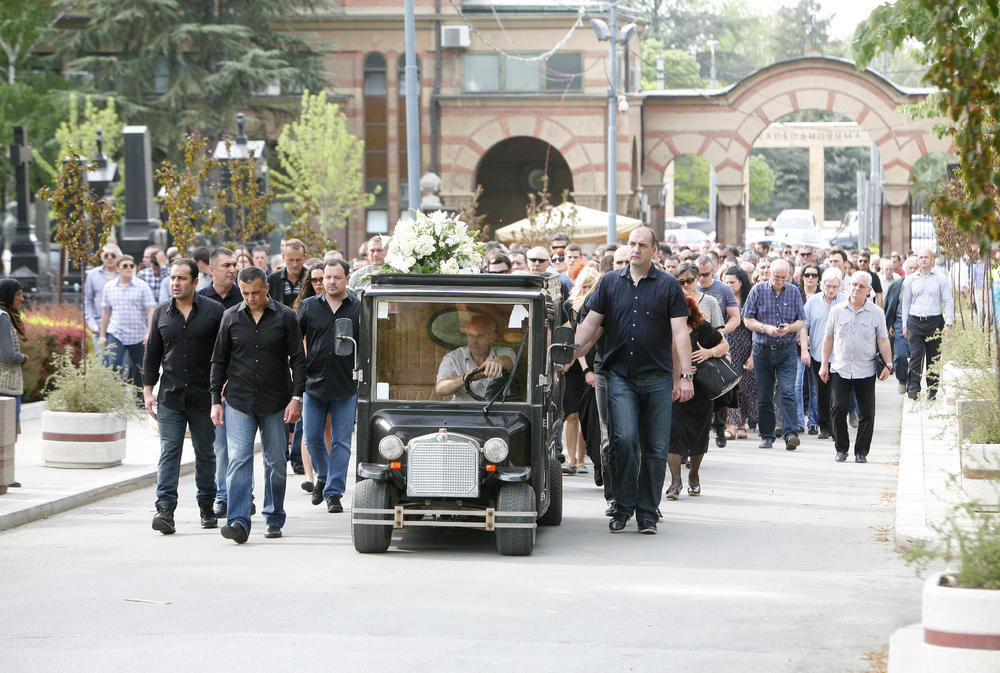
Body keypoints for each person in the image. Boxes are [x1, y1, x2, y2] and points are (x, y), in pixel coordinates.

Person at [573, 226, 694, 535]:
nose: (636, 249)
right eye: (632, 244)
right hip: (620, 376)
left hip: (657, 377)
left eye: (642, 244)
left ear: (654, 250)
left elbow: (680, 332)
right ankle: (623, 506)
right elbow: (591, 323)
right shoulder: (609, 282)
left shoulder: (668, 285)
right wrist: (570, 352)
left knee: (655, 446)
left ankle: (648, 513)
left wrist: (685, 376)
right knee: (624, 440)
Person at [210, 266, 306, 543]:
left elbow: (298, 360)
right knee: (239, 459)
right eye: (245, 293)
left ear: (266, 288)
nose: (251, 298)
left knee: (275, 461)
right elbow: (218, 360)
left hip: (275, 400)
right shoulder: (230, 317)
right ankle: (238, 521)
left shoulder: (285, 317)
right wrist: (215, 401)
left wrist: (296, 398)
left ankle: (274, 516)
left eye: (255, 293)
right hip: (239, 400)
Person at [143, 259, 225, 534]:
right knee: (169, 452)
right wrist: (148, 390)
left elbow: (225, 352)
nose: (175, 283)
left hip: (205, 396)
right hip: (170, 396)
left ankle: (206, 506)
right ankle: (165, 510)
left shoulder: (214, 312)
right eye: (172, 278)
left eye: (181, 278)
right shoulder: (161, 313)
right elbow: (152, 353)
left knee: (205, 453)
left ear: (195, 282)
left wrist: (222, 388)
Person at [297, 259, 361, 514]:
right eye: (327, 277)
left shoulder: (358, 307)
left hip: (346, 384)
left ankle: (334, 492)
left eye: (336, 277)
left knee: (341, 442)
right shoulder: (309, 306)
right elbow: (295, 340)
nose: (331, 282)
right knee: (312, 437)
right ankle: (323, 475)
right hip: (313, 383)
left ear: (347, 278)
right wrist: (296, 371)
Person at [818, 271, 893, 463]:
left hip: (865, 369)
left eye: (861, 286)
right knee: (838, 408)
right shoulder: (837, 311)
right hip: (840, 367)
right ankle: (841, 448)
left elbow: (883, 340)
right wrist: (824, 364)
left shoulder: (877, 313)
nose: (857, 289)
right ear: (848, 286)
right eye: (854, 285)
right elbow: (828, 338)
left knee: (867, 412)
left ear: (869, 290)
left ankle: (861, 451)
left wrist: (888, 364)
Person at [665, 295, 729, 499]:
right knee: (672, 433)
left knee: (698, 434)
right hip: (673, 386)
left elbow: (724, 345)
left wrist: (708, 353)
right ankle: (675, 482)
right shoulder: (662, 327)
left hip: (701, 389)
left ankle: (694, 474)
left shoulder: (700, 326)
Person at [197, 247, 244, 518]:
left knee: (241, 446)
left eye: (234, 264)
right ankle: (224, 496)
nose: (232, 269)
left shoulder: (245, 296)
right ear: (212, 269)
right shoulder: (201, 300)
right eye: (226, 265)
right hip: (212, 384)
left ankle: (243, 495)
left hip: (241, 382)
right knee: (220, 446)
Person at [741, 258, 806, 450]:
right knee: (764, 394)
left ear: (789, 276)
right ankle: (767, 435)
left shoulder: (793, 291)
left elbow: (801, 321)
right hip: (763, 349)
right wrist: (765, 328)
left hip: (786, 349)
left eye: (783, 278)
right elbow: (747, 319)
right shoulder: (757, 290)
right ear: (769, 274)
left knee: (788, 391)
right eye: (776, 277)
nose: (780, 281)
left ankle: (790, 434)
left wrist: (789, 328)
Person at [695, 254, 740, 447]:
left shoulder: (722, 290)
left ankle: (720, 426)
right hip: (694, 346)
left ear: (713, 271)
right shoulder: (687, 291)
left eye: (705, 274)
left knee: (720, 388)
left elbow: (735, 317)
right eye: (698, 274)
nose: (701, 278)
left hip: (715, 340)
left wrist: (720, 334)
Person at [561, 265, 601, 475]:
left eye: (590, 286)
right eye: (583, 286)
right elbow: (574, 337)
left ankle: (581, 459)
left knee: (586, 414)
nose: (586, 290)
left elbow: (590, 339)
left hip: (591, 362)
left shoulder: (598, 308)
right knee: (571, 414)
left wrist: (587, 369)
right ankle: (570, 458)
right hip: (573, 364)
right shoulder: (568, 305)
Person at [901, 249, 954, 401]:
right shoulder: (910, 280)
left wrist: (949, 323)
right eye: (921, 257)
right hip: (915, 321)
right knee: (915, 356)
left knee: (933, 357)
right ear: (917, 260)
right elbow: (906, 303)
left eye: (926, 257)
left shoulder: (941, 279)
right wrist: (904, 324)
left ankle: (932, 389)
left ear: (932, 260)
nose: (923, 260)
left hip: (934, 321)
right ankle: (913, 388)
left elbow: (948, 301)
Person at [99, 255, 156, 390]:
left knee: (140, 369)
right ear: (118, 269)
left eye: (131, 265)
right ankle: (116, 396)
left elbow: (151, 310)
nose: (129, 268)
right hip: (116, 333)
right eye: (125, 266)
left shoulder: (143, 286)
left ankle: (140, 398)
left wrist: (149, 332)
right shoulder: (109, 287)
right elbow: (106, 312)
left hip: (138, 334)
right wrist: (102, 335)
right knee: (114, 365)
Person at [802, 269, 845, 440]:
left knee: (838, 394)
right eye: (828, 286)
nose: (831, 290)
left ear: (840, 286)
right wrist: (804, 350)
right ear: (822, 285)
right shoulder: (813, 302)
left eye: (835, 286)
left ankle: (836, 427)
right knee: (822, 392)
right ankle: (825, 426)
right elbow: (804, 326)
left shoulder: (845, 301)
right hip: (818, 354)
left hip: (840, 356)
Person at [435, 314, 515, 401]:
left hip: (497, 408)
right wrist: (465, 378)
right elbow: (440, 389)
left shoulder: (505, 352)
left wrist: (498, 361)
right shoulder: (453, 358)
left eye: (479, 337)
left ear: (492, 337)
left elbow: (508, 361)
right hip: (464, 409)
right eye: (470, 335)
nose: (474, 341)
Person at [722, 266, 757, 440]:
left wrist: (752, 355)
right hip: (727, 346)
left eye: (732, 282)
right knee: (730, 387)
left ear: (741, 282)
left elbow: (755, 331)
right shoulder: (721, 299)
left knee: (745, 388)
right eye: (726, 282)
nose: (729, 285)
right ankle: (729, 426)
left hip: (746, 346)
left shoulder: (749, 299)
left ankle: (742, 424)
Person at [0, 279, 28, 432]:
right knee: (7, 433)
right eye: (18, 294)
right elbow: (8, 355)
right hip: (6, 386)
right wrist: (23, 358)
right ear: (7, 295)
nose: (21, 298)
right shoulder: (2, 317)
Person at [84, 244, 121, 349]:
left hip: (120, 328)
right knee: (101, 357)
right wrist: (91, 321)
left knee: (120, 359)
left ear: (118, 257)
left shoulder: (123, 274)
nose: (109, 258)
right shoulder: (93, 275)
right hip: (99, 325)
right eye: (106, 255)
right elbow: (87, 300)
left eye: (113, 255)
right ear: (101, 257)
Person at [883, 256, 910, 394]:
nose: (913, 271)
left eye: (915, 268)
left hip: (916, 322)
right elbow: (889, 305)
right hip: (899, 320)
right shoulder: (897, 285)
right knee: (900, 355)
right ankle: (902, 379)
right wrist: (890, 324)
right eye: (910, 268)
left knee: (916, 354)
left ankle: (914, 383)